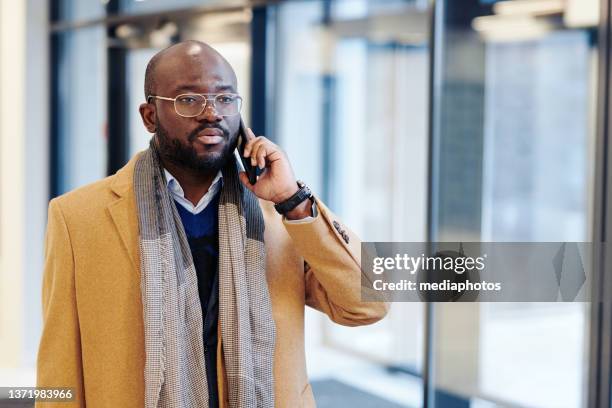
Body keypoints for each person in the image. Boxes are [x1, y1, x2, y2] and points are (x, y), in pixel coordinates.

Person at [36, 40, 387, 408]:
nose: (211, 113)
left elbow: (370, 303)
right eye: (188, 100)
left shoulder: (282, 214)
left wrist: (295, 202)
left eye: (225, 99)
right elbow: (59, 369)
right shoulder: (78, 217)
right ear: (149, 116)